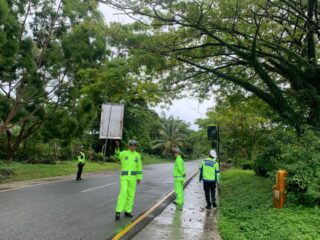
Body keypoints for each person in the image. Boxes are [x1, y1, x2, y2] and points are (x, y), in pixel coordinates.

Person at [115, 140, 143, 220]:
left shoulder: (138, 155)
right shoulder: (124, 153)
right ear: (128, 146)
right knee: (123, 192)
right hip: (124, 177)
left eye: (133, 146)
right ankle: (118, 211)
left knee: (131, 194)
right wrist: (117, 147)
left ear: (136, 146)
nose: (132, 147)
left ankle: (128, 211)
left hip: (133, 178)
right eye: (131, 145)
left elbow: (139, 167)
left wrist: (139, 177)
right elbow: (117, 154)